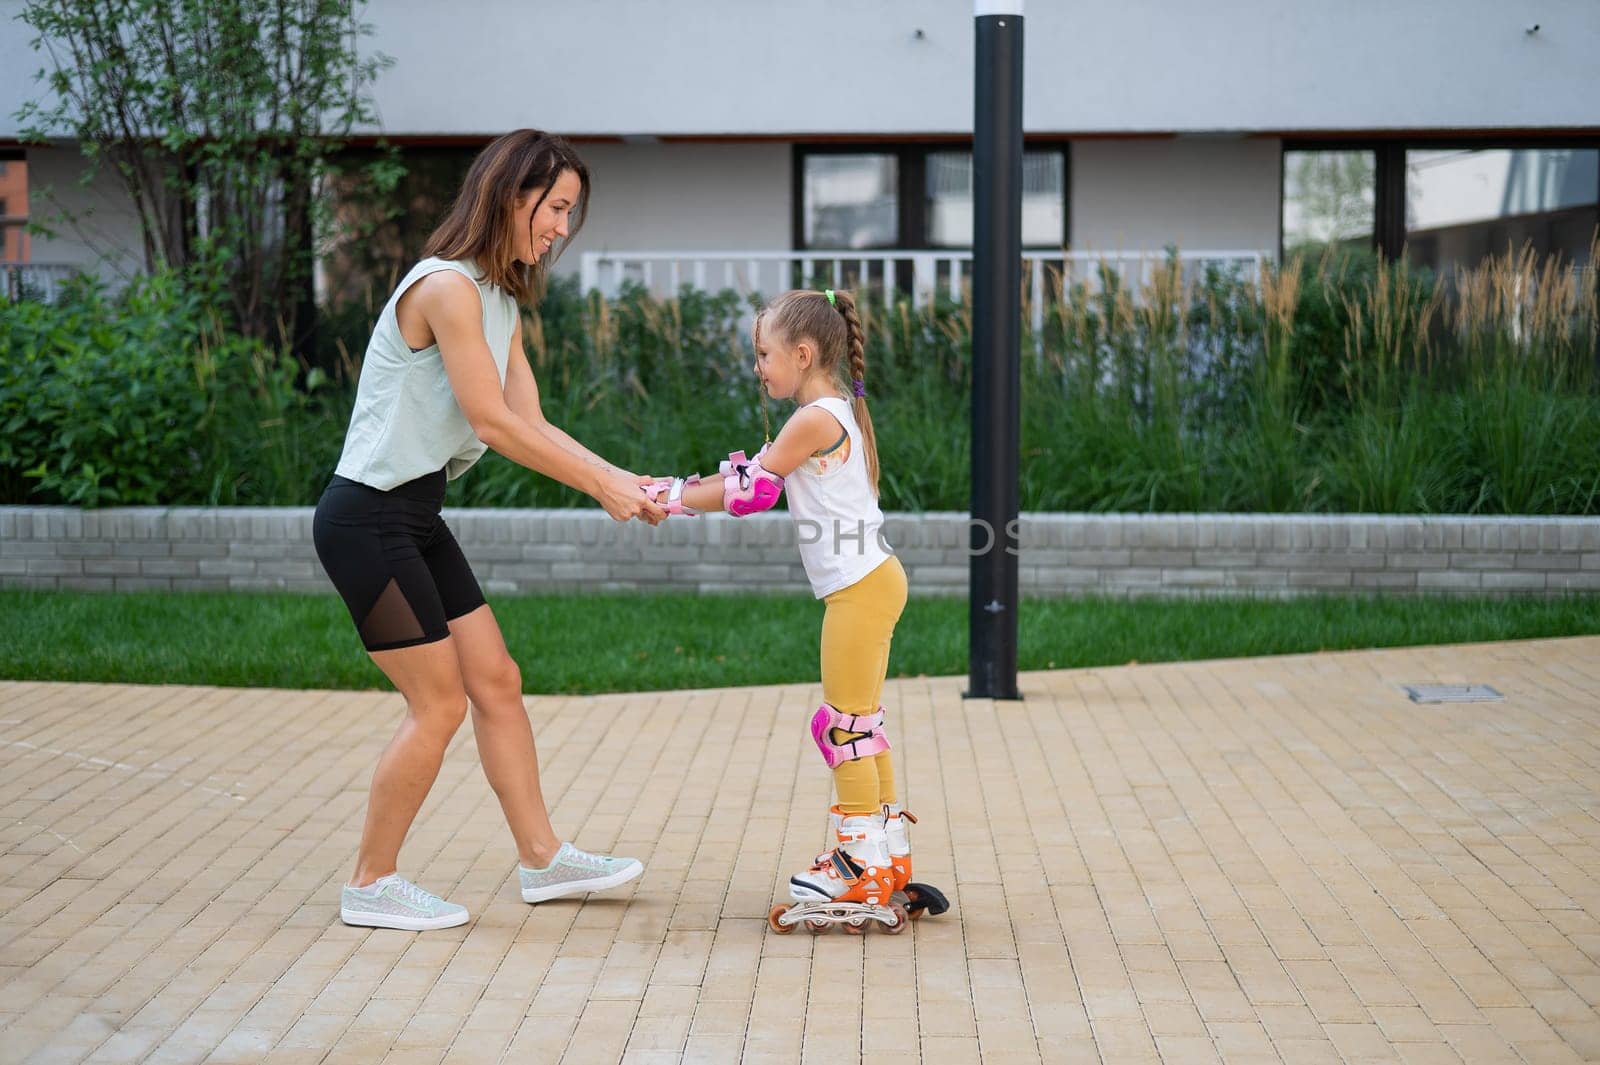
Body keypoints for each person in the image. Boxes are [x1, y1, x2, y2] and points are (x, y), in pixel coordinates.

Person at [313, 129, 666, 931]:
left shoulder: (497, 296)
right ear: (512, 194)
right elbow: (490, 423)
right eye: (557, 208)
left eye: (572, 212)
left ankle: (543, 859)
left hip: (413, 516)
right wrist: (603, 485)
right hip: (366, 521)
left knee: (496, 680)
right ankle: (371, 879)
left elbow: (531, 419)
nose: (562, 229)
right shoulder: (445, 287)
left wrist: (624, 479)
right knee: (437, 705)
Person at [643, 288, 947, 933]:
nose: (759, 367)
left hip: (860, 589)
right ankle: (885, 855)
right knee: (861, 721)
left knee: (841, 726)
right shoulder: (839, 408)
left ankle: (856, 863)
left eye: (764, 354)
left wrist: (667, 495)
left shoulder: (812, 417)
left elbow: (751, 492)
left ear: (803, 353)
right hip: (871, 582)